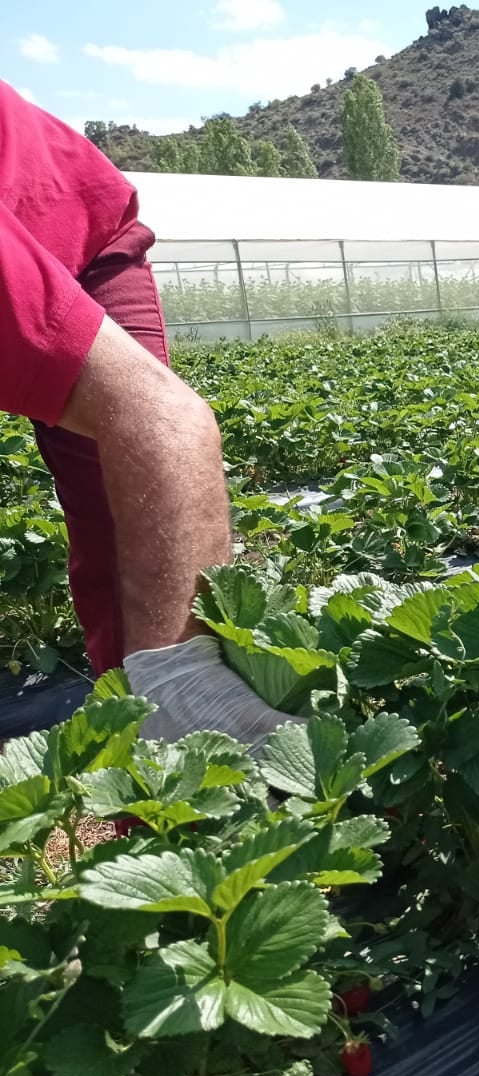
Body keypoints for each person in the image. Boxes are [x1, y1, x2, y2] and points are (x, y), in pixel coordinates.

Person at [2, 81, 294, 750]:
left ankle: (181, 781)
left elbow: (164, 418)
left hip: (66, 223)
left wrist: (179, 678)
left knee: (127, 532)